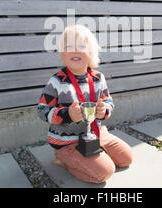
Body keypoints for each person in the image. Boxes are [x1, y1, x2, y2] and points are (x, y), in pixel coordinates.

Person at [37, 24, 133, 183]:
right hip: (68, 142)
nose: (75, 50)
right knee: (105, 172)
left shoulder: (98, 78)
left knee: (126, 159)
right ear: (63, 54)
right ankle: (65, 159)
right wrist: (66, 114)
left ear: (91, 52)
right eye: (69, 47)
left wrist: (104, 110)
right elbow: (42, 110)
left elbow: (108, 101)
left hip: (96, 133)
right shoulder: (57, 81)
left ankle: (94, 155)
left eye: (81, 46)